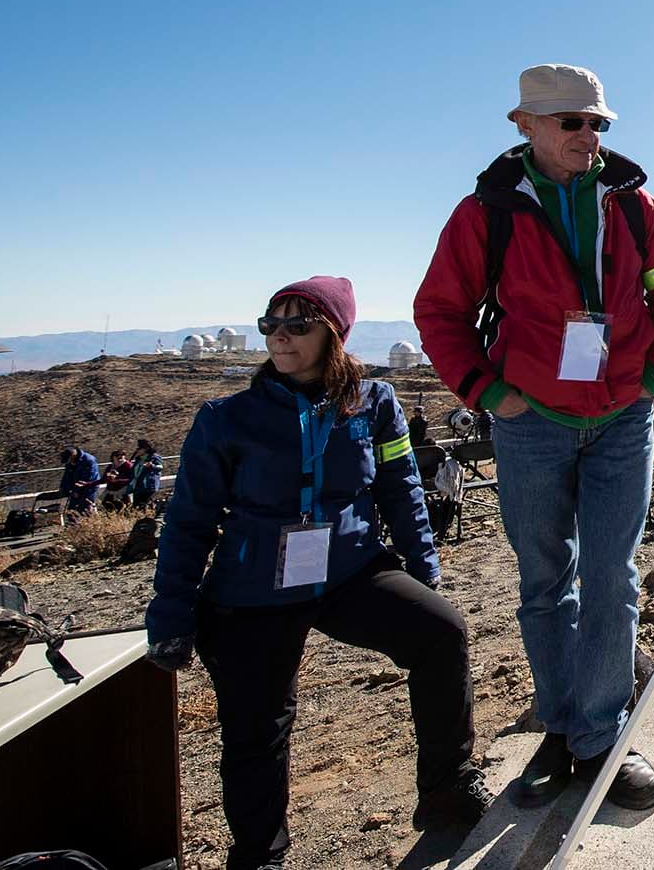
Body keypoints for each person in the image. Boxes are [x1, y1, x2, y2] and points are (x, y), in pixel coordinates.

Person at [414, 63, 654, 812]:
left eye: (598, 123)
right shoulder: (486, 214)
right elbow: (439, 312)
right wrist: (487, 393)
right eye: (572, 122)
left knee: (613, 578)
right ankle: (562, 723)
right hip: (531, 422)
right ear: (527, 127)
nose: (588, 135)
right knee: (545, 582)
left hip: (622, 418)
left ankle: (599, 735)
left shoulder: (635, 206)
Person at [146, 277, 487, 869]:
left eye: (296, 325)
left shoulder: (374, 403)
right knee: (258, 727)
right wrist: (171, 611)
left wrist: (422, 565)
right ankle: (260, 856)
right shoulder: (227, 418)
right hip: (253, 591)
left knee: (440, 634)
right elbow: (189, 521)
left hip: (349, 569)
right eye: (269, 325)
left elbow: (400, 488)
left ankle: (446, 788)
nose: (279, 337)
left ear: (334, 333)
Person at [57, 446, 101, 516]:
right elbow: (67, 475)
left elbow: (89, 478)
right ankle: (73, 525)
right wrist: (63, 487)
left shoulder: (89, 460)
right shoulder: (70, 463)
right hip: (75, 489)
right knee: (72, 511)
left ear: (73, 456)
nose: (68, 462)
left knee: (85, 509)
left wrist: (77, 491)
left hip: (89, 489)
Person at [129, 440, 162, 509]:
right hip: (137, 487)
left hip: (148, 487)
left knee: (146, 506)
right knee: (136, 507)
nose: (137, 450)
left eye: (139, 448)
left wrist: (151, 465)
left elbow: (160, 467)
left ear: (146, 449)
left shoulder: (154, 457)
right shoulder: (138, 459)